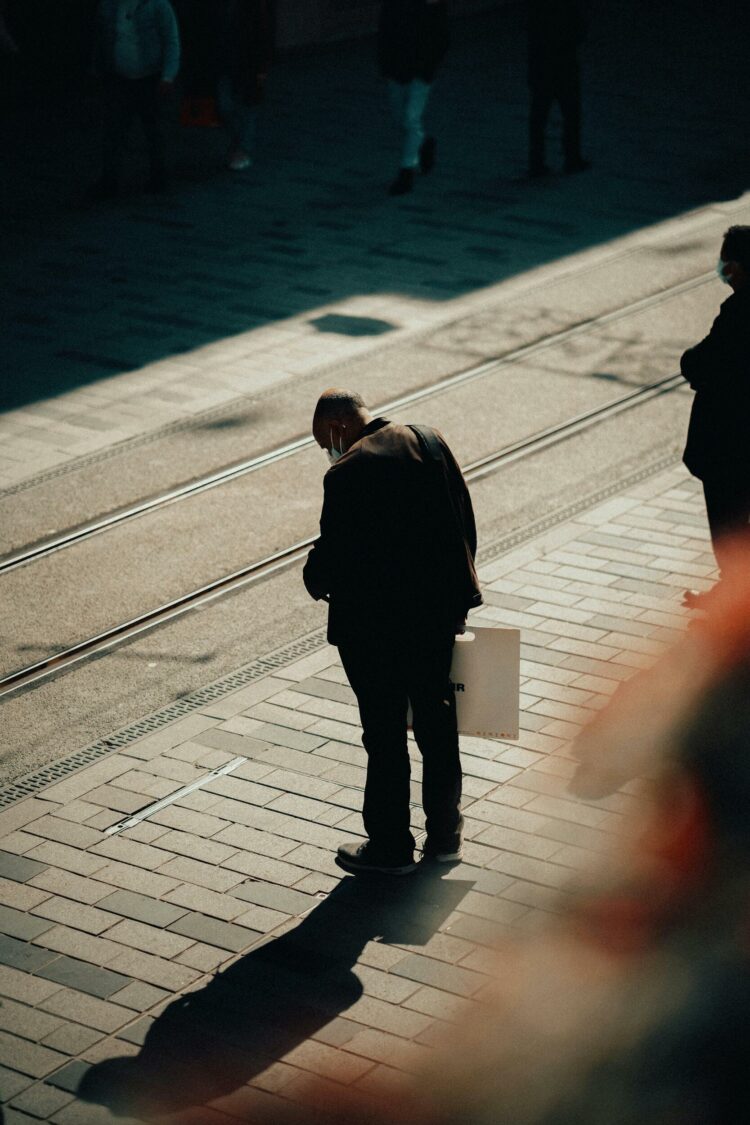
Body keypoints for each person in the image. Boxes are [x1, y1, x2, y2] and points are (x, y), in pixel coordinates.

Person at [303, 389, 482, 875]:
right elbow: (462, 522)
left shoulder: (346, 472)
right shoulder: (428, 441)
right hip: (433, 619)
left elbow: (334, 554)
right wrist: (462, 599)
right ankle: (445, 837)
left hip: (373, 630)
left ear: (339, 426)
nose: (328, 451)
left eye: (325, 442)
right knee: (437, 727)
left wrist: (312, 578)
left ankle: (390, 847)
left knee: (384, 736)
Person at [680, 226, 750, 609]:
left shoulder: (738, 311)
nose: (722, 269)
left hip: (730, 439)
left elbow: (703, 361)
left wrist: (689, 362)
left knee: (728, 519)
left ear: (737, 266)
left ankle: (734, 594)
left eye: (726, 261)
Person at [92, 0, 180, 198]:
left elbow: (171, 40)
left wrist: (168, 75)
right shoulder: (109, 5)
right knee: (114, 130)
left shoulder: (158, 5)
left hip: (149, 77)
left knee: (153, 130)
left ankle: (158, 176)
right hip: (119, 77)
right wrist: (99, 68)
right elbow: (102, 38)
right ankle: (109, 179)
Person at [176, 0, 271, 169]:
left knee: (246, 105)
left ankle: (243, 146)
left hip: (245, 61)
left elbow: (261, 33)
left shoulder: (251, 6)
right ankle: (241, 143)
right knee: (225, 105)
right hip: (225, 62)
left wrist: (262, 65)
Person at [378, 0, 449, 196]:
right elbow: (385, 31)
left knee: (410, 117)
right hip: (398, 68)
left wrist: (430, 66)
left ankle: (406, 170)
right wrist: (385, 64)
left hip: (420, 70)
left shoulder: (432, 5)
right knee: (401, 119)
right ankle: (423, 143)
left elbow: (442, 37)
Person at [527, 0, 589, 177]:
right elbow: (579, 31)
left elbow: (532, 33)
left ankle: (537, 163)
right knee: (571, 114)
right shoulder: (566, 7)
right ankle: (572, 158)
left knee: (539, 117)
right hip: (564, 66)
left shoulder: (538, 8)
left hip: (543, 67)